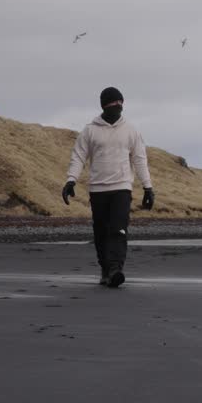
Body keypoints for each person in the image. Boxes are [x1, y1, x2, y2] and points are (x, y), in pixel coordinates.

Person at [62, 86, 154, 288]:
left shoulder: (131, 130)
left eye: (121, 103)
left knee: (118, 229)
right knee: (101, 231)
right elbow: (78, 157)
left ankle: (115, 269)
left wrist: (148, 187)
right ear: (104, 106)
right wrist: (71, 180)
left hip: (122, 187)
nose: (118, 107)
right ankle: (105, 269)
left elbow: (139, 159)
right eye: (114, 103)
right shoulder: (90, 130)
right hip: (98, 189)